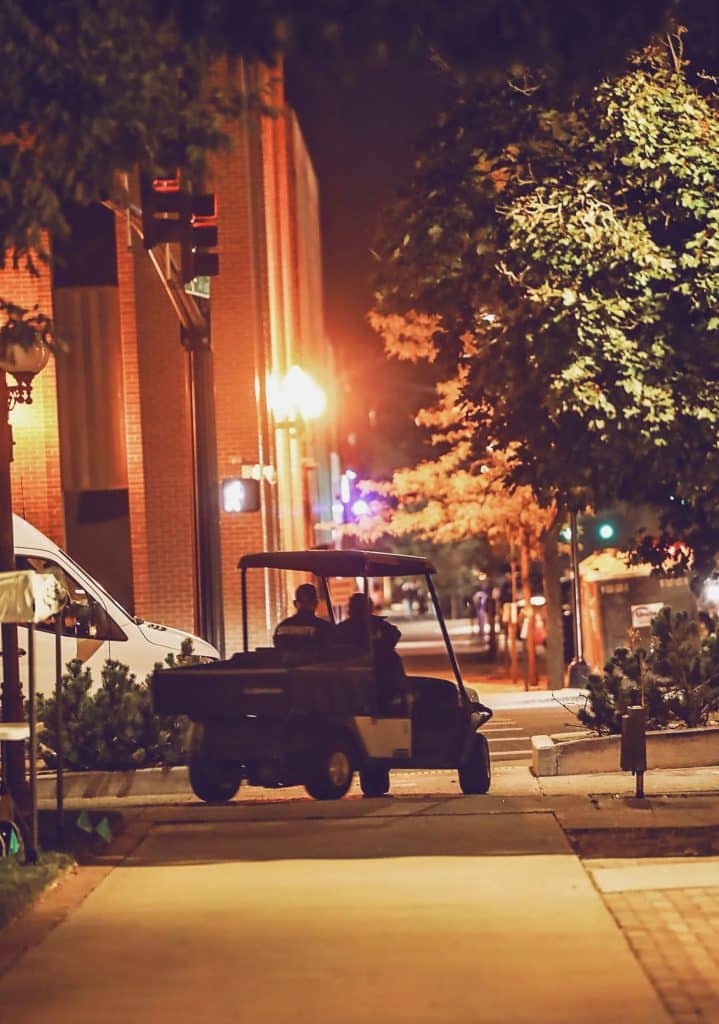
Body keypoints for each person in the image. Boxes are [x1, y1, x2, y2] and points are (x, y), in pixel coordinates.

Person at [336, 592, 407, 710]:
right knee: (393, 657)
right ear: (370, 608)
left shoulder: (341, 629)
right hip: (378, 685)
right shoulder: (380, 627)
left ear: (350, 609)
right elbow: (394, 636)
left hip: (349, 688)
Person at [273, 583, 334, 659]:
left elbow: (279, 651)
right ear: (316, 603)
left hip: (285, 669)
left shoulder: (281, 627)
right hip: (313, 669)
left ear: (295, 604)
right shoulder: (323, 627)